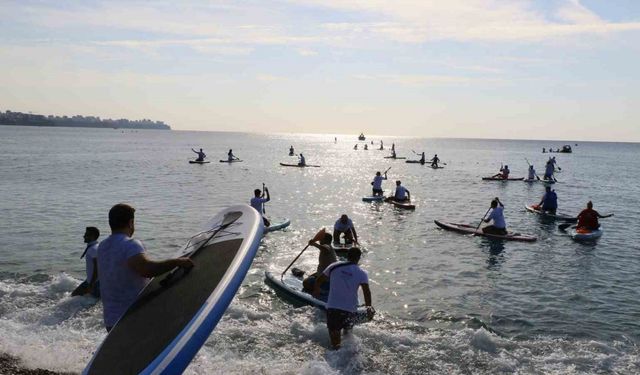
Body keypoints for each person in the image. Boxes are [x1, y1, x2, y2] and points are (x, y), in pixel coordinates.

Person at [98, 204, 194, 331]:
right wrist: (177, 262)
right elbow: (147, 270)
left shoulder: (102, 247)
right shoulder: (130, 245)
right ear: (131, 223)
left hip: (111, 321)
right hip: (133, 317)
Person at [313, 248, 374, 350]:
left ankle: (336, 359)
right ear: (359, 258)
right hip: (350, 310)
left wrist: (316, 291)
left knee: (335, 344)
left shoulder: (334, 266)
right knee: (348, 337)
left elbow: (319, 280)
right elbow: (366, 292)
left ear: (347, 256)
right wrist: (369, 307)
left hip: (333, 309)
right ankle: (349, 357)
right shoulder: (362, 273)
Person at [71, 227, 101, 297]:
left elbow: (97, 268)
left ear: (92, 236)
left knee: (92, 303)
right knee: (74, 295)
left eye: (86, 234)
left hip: (95, 283)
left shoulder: (94, 249)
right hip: (90, 280)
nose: (84, 236)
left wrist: (91, 284)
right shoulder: (94, 247)